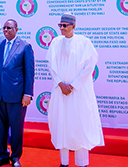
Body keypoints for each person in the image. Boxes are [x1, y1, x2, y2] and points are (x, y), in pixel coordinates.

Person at [46, 14, 104, 167]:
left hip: (78, 93)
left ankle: (82, 163)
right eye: (60, 25)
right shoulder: (55, 42)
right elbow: (51, 65)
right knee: (61, 125)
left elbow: (89, 67)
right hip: (61, 92)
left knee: (80, 124)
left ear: (74, 26)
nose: (62, 28)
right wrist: (60, 84)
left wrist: (73, 85)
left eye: (65, 25)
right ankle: (64, 163)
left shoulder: (84, 42)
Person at [0, 19, 35, 167]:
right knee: (1, 128)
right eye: (4, 28)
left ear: (16, 29)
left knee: (16, 128)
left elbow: (29, 72)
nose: (6, 30)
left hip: (17, 96)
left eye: (9, 27)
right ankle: (2, 156)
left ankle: (15, 157)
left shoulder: (25, 47)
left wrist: (28, 93)